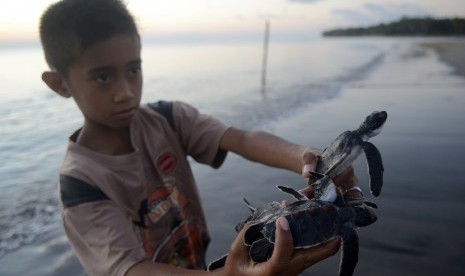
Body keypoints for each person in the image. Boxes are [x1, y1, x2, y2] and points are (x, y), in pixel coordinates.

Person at [39, 0, 359, 275]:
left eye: (133, 70)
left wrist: (307, 157)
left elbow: (243, 139)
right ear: (60, 84)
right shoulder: (80, 186)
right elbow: (131, 269)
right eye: (103, 77)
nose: (125, 92)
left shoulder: (168, 119)